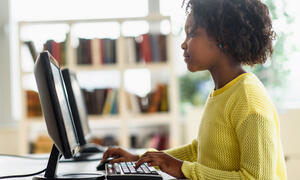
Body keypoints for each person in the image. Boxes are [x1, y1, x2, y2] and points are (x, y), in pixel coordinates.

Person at [100, 0, 287, 179]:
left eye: (192, 34)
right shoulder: (222, 91)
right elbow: (197, 151)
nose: (183, 44)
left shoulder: (248, 99)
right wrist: (141, 159)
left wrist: (182, 169)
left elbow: (258, 178)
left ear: (224, 38)